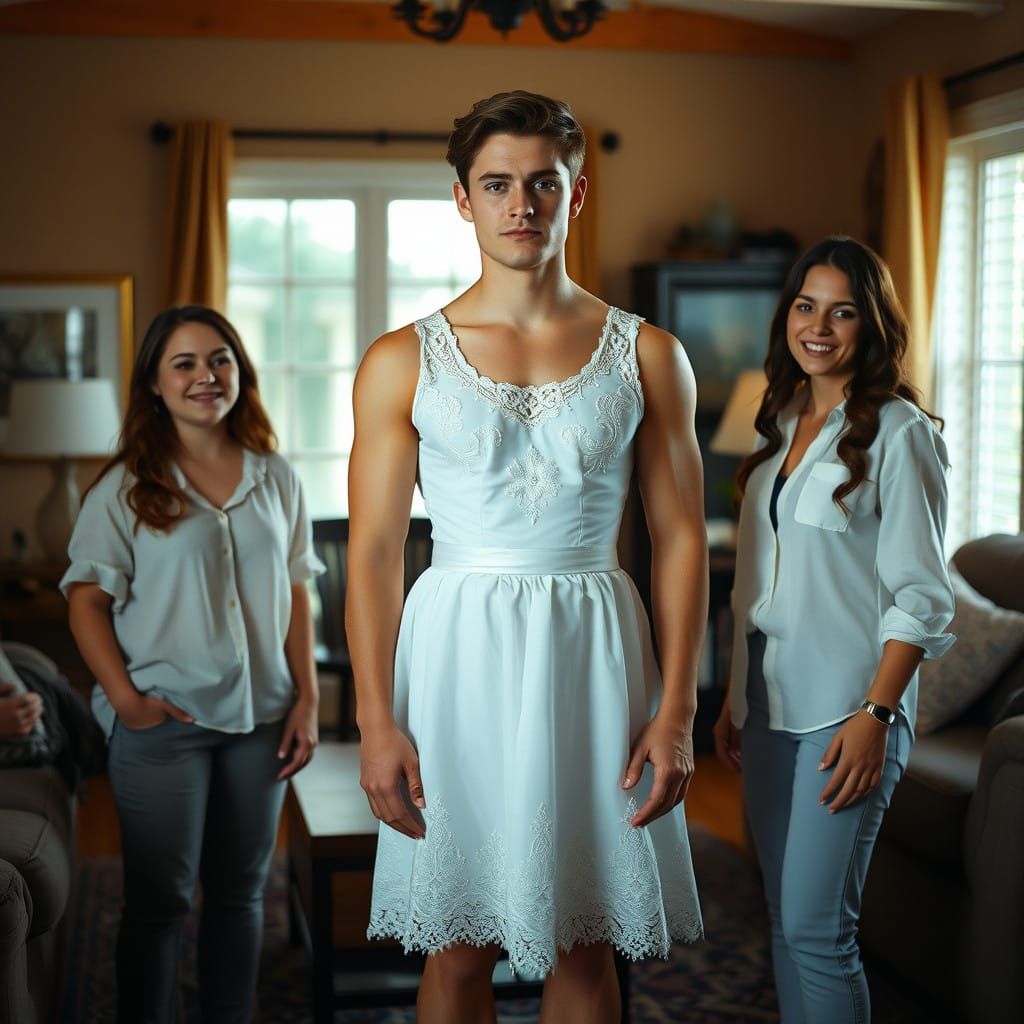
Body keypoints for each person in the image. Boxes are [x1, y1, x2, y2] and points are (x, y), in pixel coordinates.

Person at [347, 91, 707, 1024]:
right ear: (463, 199)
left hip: (594, 648)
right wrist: (375, 720)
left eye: (542, 184)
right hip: (456, 649)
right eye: (497, 184)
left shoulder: (651, 354)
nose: (521, 205)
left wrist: (676, 710)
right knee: (457, 947)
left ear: (575, 195)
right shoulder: (400, 360)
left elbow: (678, 542)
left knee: (587, 942)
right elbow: (378, 553)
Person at [713, 236, 955, 1024]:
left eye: (842, 311)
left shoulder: (899, 431)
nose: (819, 326)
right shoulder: (777, 420)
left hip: (845, 714)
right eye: (806, 306)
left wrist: (877, 715)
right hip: (766, 707)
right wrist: (731, 701)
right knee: (785, 920)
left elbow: (921, 595)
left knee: (820, 933)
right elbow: (757, 583)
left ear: (872, 325)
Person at [62, 305, 323, 1024]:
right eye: (185, 363)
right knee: (160, 903)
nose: (206, 376)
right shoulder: (122, 489)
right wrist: (128, 701)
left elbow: (298, 592)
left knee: (241, 896)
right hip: (161, 723)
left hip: (261, 720)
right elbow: (85, 603)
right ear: (153, 383)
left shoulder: (276, 478)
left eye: (220, 360)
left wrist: (307, 700)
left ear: (240, 371)